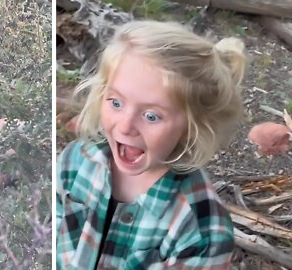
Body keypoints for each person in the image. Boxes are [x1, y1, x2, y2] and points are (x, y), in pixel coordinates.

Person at [56, 20, 246, 270]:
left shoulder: (199, 228)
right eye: (116, 102)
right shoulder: (76, 161)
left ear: (192, 127)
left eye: (151, 116)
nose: (125, 126)